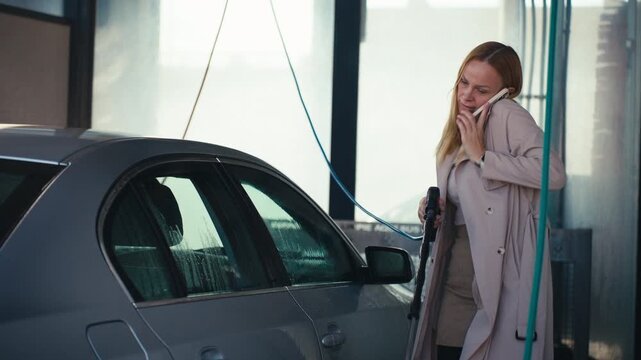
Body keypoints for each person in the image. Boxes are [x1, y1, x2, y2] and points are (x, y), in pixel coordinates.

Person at [410, 41, 566, 360]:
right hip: (457, 270)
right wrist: (435, 209)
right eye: (463, 83)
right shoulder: (460, 127)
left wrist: (484, 156)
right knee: (446, 350)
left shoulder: (507, 115)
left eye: (481, 90)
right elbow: (470, 200)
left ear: (503, 93)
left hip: (495, 269)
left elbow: (554, 173)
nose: (467, 96)